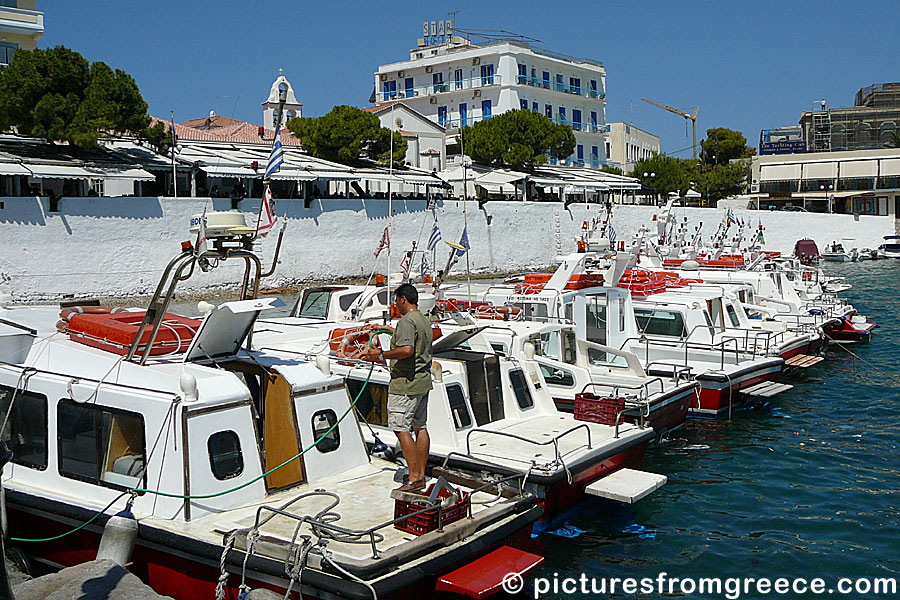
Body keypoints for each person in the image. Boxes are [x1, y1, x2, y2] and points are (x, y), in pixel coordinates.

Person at [367, 283, 433, 492]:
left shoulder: (406, 321)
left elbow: (406, 349)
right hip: (422, 382)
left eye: (396, 300)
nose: (396, 305)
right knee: (420, 427)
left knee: (400, 428)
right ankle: (420, 473)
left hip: (405, 384)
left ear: (403, 299)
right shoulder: (423, 319)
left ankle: (414, 478)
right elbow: (412, 339)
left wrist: (380, 355)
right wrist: (387, 329)